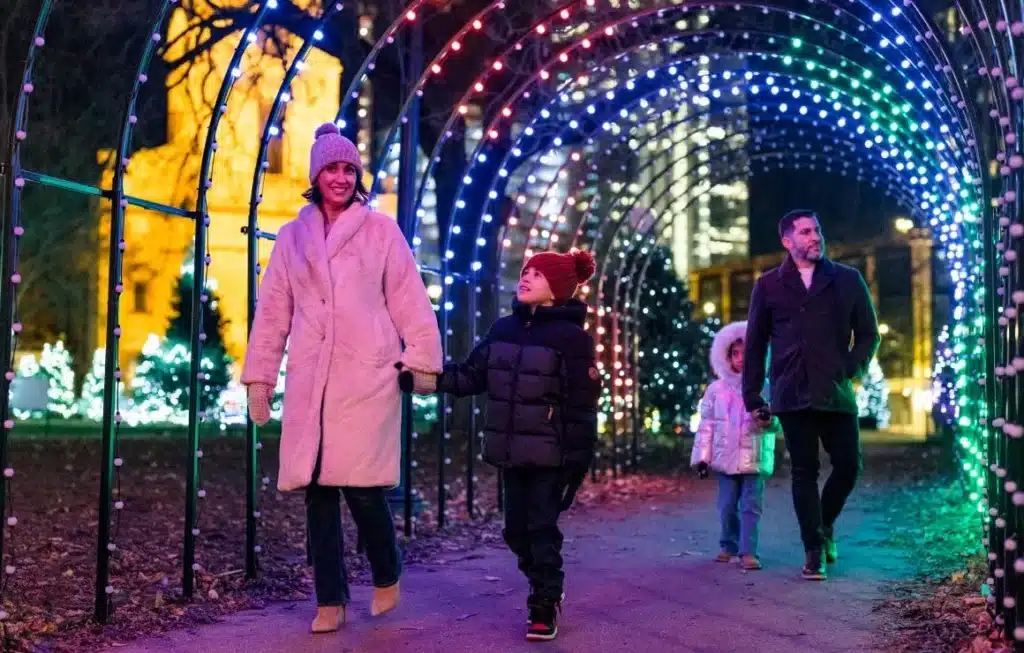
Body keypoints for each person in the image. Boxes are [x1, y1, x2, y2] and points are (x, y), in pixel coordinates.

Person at [242, 123, 443, 633]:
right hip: (313, 381)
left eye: (349, 168)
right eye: (331, 168)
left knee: (364, 490)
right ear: (316, 175)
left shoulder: (381, 232)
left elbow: (408, 297)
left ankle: (386, 570)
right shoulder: (292, 238)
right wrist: (261, 377)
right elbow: (273, 312)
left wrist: (420, 358)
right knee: (317, 494)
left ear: (358, 176)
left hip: (367, 376)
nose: (340, 177)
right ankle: (329, 599)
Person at [402, 249, 600, 642]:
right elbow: (472, 375)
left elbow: (582, 406)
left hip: (552, 454)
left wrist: (576, 463)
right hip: (511, 453)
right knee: (514, 531)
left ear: (557, 289)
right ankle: (545, 582)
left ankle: (543, 602)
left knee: (540, 527)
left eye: (537, 275)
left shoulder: (573, 340)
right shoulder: (503, 329)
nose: (525, 278)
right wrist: (427, 381)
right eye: (525, 272)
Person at [741, 210, 879, 581]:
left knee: (849, 466)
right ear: (787, 241)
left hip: (835, 389)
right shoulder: (769, 285)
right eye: (805, 232)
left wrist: (849, 367)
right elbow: (754, 345)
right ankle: (813, 550)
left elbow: (869, 334)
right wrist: (753, 396)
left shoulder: (847, 280)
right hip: (791, 390)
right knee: (804, 471)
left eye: (817, 229)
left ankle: (824, 523)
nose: (815, 236)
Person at [691, 320, 777, 571]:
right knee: (728, 506)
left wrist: (767, 420)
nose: (740, 359)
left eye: (746, 353)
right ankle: (728, 544)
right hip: (724, 459)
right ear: (725, 356)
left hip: (755, 458)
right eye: (734, 353)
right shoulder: (715, 390)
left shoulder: (765, 388)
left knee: (752, 507)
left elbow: (778, 421)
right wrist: (702, 457)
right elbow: (706, 424)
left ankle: (748, 550)